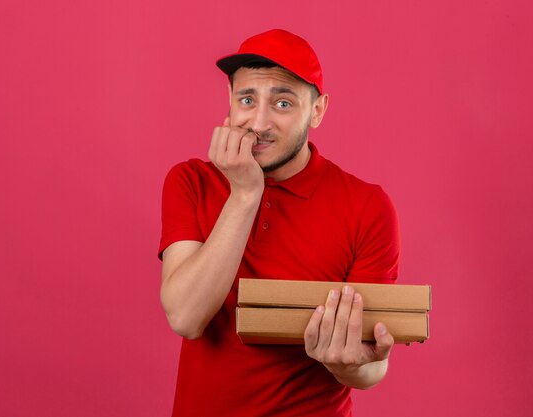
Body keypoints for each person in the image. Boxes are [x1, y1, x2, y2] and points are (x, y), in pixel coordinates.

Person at [158, 29, 400, 417]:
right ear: (230, 102)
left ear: (318, 110)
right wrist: (245, 194)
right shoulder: (190, 181)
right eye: (247, 99)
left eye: (283, 103)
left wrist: (348, 364)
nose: (259, 122)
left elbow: (373, 366)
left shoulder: (367, 205)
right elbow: (186, 317)